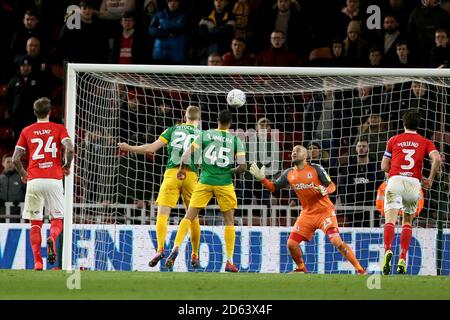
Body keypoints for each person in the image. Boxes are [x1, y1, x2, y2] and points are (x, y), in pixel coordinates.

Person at [249, 145, 367, 274]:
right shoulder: (289, 173)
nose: (294, 152)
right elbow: (273, 187)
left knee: (336, 241)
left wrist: (325, 190)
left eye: (297, 150)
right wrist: (263, 179)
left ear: (305, 155)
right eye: (293, 151)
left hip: (324, 211)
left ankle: (360, 269)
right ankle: (301, 268)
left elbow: (332, 185)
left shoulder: (316, 169)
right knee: (291, 244)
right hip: (307, 214)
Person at [118, 106, 202, 268]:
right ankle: (195, 255)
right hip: (191, 175)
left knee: (162, 214)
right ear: (198, 119)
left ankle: (160, 249)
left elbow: (150, 148)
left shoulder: (172, 130)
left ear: (185, 116)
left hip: (172, 174)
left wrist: (128, 148)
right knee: (192, 217)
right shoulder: (202, 135)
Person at [164, 110, 247, 272]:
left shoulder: (205, 134)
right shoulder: (236, 140)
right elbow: (243, 166)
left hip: (204, 181)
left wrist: (181, 170)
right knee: (229, 222)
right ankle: (229, 261)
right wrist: (233, 171)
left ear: (217, 120)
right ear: (231, 123)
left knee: (189, 216)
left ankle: (176, 247)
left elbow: (186, 154)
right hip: (224, 183)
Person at [12, 97, 74, 271]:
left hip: (34, 180)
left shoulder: (27, 130)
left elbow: (16, 159)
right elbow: (70, 148)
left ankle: (38, 261)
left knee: (35, 222)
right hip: (54, 179)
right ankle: (52, 238)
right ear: (50, 112)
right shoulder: (59, 128)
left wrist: (24, 175)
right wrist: (66, 166)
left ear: (34, 112)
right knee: (57, 219)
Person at [380, 110, 441, 275]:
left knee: (390, 220)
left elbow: (384, 166)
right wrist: (430, 178)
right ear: (418, 125)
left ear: (403, 123)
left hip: (395, 180)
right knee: (407, 221)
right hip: (414, 183)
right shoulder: (425, 141)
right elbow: (437, 159)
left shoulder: (394, 140)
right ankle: (403, 258)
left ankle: (387, 251)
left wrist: (395, 168)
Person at [0, 153, 26, 222]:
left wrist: (20, 201)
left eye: (12, 162)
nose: (10, 164)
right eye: (8, 162)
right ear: (3, 163)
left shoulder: (21, 178)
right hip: (1, 213)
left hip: (17, 213)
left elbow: (26, 193)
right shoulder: (0, 179)